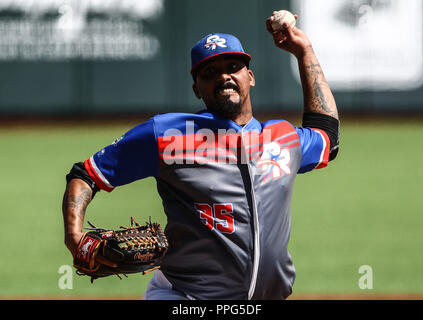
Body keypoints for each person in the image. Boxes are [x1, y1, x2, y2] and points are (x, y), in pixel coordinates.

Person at [62, 14, 340, 300]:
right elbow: (87, 174)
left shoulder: (283, 137)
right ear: (197, 89)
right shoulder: (169, 134)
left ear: (250, 77)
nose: (223, 76)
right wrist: (74, 238)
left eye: (233, 66)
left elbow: (327, 139)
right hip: (185, 297)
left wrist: (304, 50)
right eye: (209, 72)